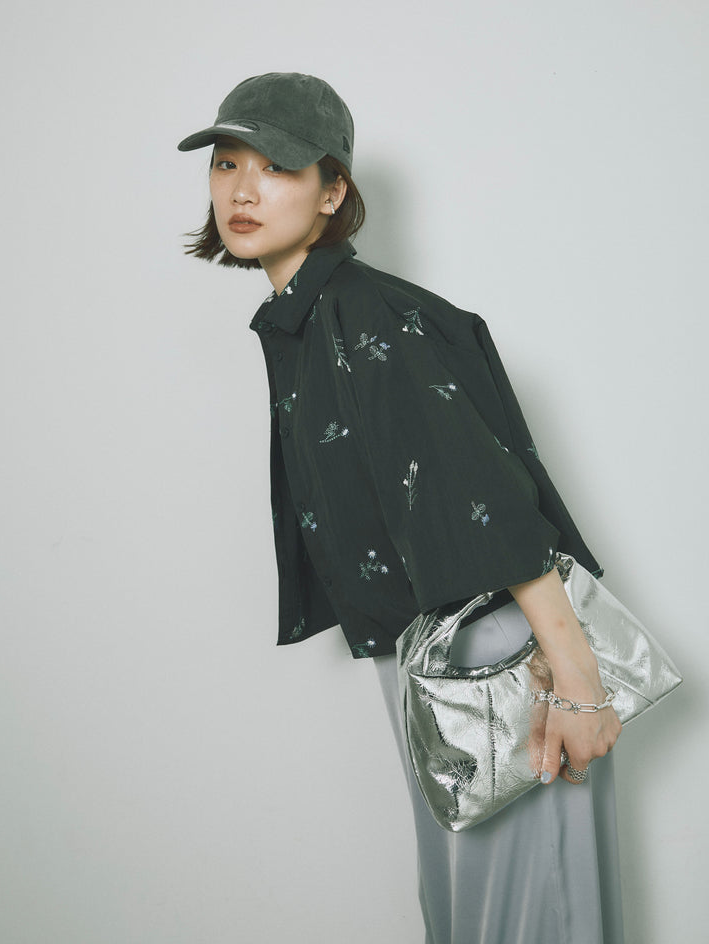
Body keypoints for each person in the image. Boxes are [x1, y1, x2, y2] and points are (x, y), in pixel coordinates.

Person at [178, 72, 624, 944]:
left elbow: (485, 496)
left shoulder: (366, 313)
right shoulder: (306, 320)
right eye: (227, 163)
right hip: (441, 654)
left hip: (502, 656)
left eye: (277, 166)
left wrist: (577, 682)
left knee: (521, 917)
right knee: (473, 912)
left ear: (332, 190)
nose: (242, 189)